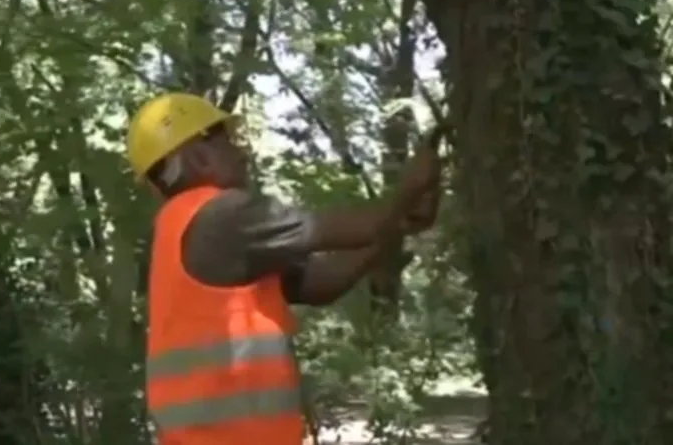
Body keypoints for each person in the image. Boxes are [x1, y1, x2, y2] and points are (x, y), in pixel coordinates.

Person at [125, 93, 444, 445]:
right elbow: (365, 227)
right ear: (199, 156)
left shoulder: (183, 230)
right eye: (227, 142)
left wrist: (399, 224)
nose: (242, 154)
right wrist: (411, 188)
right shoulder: (223, 216)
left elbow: (320, 284)